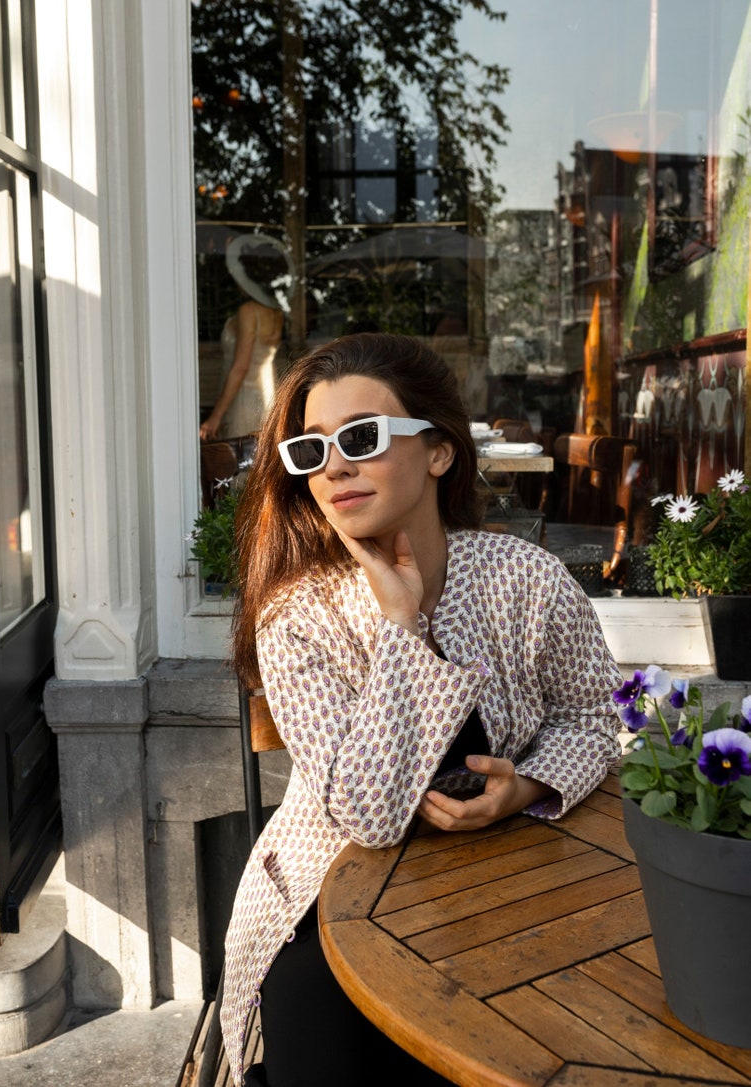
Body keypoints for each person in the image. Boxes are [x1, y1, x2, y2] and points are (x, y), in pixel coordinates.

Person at [221, 333, 622, 1087]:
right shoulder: (298, 616)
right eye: (311, 451)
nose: (334, 466)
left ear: (438, 451)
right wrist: (400, 625)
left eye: (362, 438)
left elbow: (593, 717)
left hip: (513, 877)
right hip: (329, 901)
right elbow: (367, 814)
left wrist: (526, 786)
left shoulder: (522, 580)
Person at [199, 235, 289, 454]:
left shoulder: (249, 311)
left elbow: (241, 367)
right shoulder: (275, 311)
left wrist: (215, 417)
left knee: (241, 466)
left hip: (245, 399)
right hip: (268, 394)